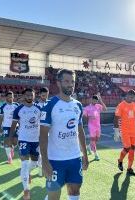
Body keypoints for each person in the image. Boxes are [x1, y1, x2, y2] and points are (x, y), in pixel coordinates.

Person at [40, 69, 89, 200]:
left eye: (72, 82)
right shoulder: (50, 105)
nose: (70, 85)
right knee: (54, 196)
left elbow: (80, 131)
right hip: (55, 160)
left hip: (74, 158)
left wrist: (85, 154)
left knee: (74, 191)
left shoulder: (77, 105)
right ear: (59, 83)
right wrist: (44, 162)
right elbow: (43, 136)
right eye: (66, 81)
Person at [10, 88, 41, 200]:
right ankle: (26, 190)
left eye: (31, 95)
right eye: (27, 95)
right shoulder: (18, 109)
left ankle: (26, 174)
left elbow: (43, 124)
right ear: (23, 96)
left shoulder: (38, 109)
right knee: (24, 164)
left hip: (36, 140)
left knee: (34, 163)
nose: (29, 97)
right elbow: (13, 125)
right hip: (23, 139)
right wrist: (11, 137)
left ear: (34, 96)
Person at [113, 89, 135, 176]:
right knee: (127, 148)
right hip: (124, 131)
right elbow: (116, 118)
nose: (131, 98)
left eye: (133, 97)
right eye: (130, 97)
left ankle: (129, 168)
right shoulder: (121, 105)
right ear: (126, 96)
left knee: (132, 150)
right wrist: (116, 131)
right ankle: (120, 160)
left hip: (134, 131)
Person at [83, 94, 107, 161]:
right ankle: (96, 155)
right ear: (91, 100)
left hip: (98, 126)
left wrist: (101, 101)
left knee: (96, 140)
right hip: (91, 126)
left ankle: (88, 147)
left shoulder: (98, 106)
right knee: (93, 140)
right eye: (94, 100)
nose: (95, 101)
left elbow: (105, 109)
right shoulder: (87, 107)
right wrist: (90, 116)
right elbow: (84, 115)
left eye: (96, 100)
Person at [0, 91, 19, 164]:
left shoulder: (17, 105)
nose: (11, 98)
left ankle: (12, 148)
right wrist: (0, 127)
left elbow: (20, 116)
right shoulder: (3, 106)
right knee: (7, 142)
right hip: (6, 126)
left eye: (12, 96)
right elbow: (1, 118)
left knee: (15, 142)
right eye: (9, 97)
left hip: (15, 126)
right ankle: (9, 158)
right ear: (6, 97)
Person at [35, 87, 50, 177]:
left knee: (47, 150)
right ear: (39, 94)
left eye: (46, 95)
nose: (45, 97)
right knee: (41, 150)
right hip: (37, 130)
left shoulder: (50, 104)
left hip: (48, 130)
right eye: (43, 95)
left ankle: (43, 166)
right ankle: (40, 168)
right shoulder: (35, 105)